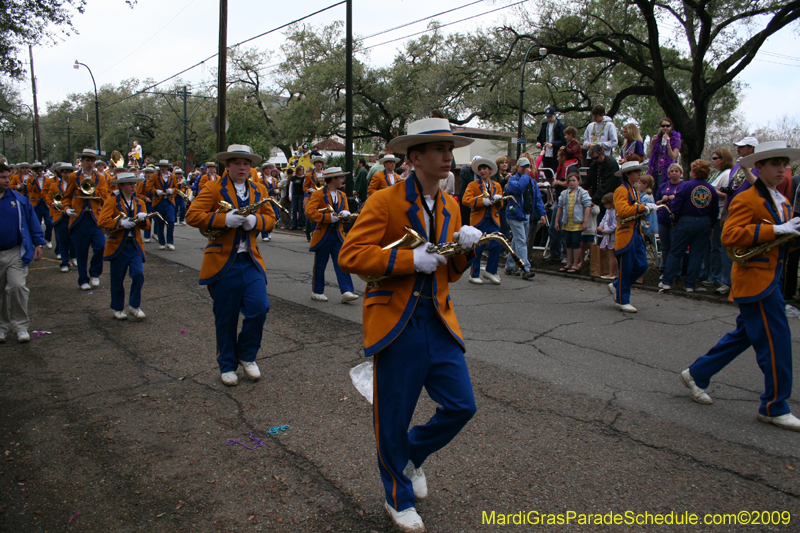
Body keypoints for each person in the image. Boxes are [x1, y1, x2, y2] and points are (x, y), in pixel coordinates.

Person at [338, 117, 481, 533]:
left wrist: (465, 252)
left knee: (462, 405)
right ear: (415, 157)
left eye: (449, 149)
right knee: (393, 416)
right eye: (439, 149)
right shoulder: (384, 200)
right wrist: (406, 261)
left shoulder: (453, 205)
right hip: (396, 321)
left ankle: (409, 455)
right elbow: (351, 255)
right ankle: (396, 497)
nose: (447, 157)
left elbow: (448, 273)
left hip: (437, 320)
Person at [679, 140, 800, 432]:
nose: (782, 169)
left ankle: (697, 373)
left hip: (771, 277)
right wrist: (775, 229)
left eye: (785, 164)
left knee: (744, 336)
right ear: (758, 167)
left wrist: (789, 233)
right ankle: (774, 406)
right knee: (776, 343)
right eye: (775, 164)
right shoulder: (748, 198)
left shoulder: (780, 201)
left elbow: (781, 244)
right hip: (755, 280)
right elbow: (730, 235)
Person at [185, 144, 276, 387]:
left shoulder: (258, 188)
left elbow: (271, 219)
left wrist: (256, 220)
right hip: (222, 262)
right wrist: (224, 218)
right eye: (237, 163)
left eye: (246, 164)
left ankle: (247, 355)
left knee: (260, 308)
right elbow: (192, 215)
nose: (242, 167)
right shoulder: (213, 187)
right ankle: (227, 364)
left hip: (251, 261)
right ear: (228, 166)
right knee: (226, 317)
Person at [0, 162, 45, 343]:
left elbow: (32, 221)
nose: (7, 180)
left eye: (7, 176)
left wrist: (38, 243)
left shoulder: (19, 199)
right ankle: (1, 327)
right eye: (2, 177)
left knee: (17, 286)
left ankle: (20, 326)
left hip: (14, 251)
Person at [658, 160, 719, 293]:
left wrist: (674, 218)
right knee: (696, 255)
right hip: (704, 222)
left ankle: (667, 281)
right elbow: (714, 210)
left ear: (694, 172)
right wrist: (711, 225)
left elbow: (676, 204)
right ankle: (690, 284)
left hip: (685, 221)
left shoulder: (685, 186)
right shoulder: (711, 189)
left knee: (675, 252)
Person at [97, 172, 150, 320]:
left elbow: (146, 227)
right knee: (117, 278)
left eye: (134, 183)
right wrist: (120, 223)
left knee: (138, 274)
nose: (133, 186)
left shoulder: (140, 202)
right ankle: (117, 307)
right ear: (120, 186)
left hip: (134, 245)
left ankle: (134, 306)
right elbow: (102, 221)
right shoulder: (111, 201)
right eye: (129, 183)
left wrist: (144, 219)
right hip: (118, 245)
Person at [305, 167, 359, 303]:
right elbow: (309, 212)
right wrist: (329, 217)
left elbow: (345, 210)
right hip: (323, 233)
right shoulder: (318, 194)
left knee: (341, 262)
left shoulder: (342, 195)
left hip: (338, 233)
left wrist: (346, 214)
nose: (343, 180)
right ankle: (317, 291)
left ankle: (346, 291)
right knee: (320, 264)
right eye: (341, 177)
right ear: (333, 179)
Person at [607, 161, 656, 312]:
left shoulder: (634, 190)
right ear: (628, 174)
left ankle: (616, 285)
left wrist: (646, 210)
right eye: (636, 172)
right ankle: (622, 300)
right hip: (626, 233)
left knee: (642, 265)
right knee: (627, 268)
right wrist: (644, 207)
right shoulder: (621, 190)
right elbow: (622, 211)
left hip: (636, 232)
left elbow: (635, 210)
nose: (639, 175)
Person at [63, 149, 110, 291]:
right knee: (81, 251)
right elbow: (67, 196)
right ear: (81, 162)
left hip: (95, 218)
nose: (90, 163)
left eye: (92, 161)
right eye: (87, 160)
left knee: (100, 246)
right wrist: (66, 208)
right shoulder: (73, 177)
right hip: (79, 219)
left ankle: (95, 273)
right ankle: (83, 279)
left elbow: (104, 197)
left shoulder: (100, 178)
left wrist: (91, 189)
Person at [462, 157, 504, 285]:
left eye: (484, 168)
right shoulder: (473, 185)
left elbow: (501, 204)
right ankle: (473, 274)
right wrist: (481, 201)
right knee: (478, 247)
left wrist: (499, 200)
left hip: (493, 220)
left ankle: (490, 272)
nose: (482, 171)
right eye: (480, 169)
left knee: (497, 244)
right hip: (479, 220)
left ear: (490, 170)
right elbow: (465, 200)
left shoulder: (497, 185)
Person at [503, 157, 543, 279]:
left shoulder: (533, 182)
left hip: (527, 215)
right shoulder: (513, 181)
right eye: (524, 167)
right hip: (515, 215)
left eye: (528, 167)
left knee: (517, 241)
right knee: (521, 241)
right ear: (518, 167)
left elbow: (537, 199)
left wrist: (542, 213)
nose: (526, 169)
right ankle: (525, 268)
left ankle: (509, 266)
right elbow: (519, 188)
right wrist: (526, 176)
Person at [703, 148, 734, 290]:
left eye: (715, 158)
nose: (712, 161)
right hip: (713, 215)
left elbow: (728, 195)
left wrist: (713, 191)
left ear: (723, 159)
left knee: (720, 248)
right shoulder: (717, 174)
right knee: (713, 247)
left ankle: (722, 278)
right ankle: (713, 276)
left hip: (720, 214)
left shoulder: (727, 174)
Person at [554, 172, 592, 273]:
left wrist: (585, 221)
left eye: (574, 180)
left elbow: (588, 206)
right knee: (568, 243)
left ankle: (576, 264)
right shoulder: (564, 193)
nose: (572, 183)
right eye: (570, 180)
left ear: (578, 182)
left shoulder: (582, 193)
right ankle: (569, 263)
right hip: (567, 223)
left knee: (576, 243)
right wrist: (557, 221)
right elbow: (560, 207)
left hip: (577, 223)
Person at [654, 163, 683, 270]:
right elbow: (656, 202)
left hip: (676, 220)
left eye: (676, 171)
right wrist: (663, 200)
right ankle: (665, 267)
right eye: (672, 171)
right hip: (663, 219)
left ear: (680, 173)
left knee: (675, 246)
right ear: (669, 173)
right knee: (665, 246)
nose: (674, 173)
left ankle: (676, 269)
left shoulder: (684, 186)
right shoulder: (663, 186)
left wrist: (675, 198)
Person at [47, 163, 75, 272]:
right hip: (60, 216)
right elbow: (48, 198)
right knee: (62, 240)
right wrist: (53, 204)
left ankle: (73, 256)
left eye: (69, 172)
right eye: (64, 172)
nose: (67, 174)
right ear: (61, 173)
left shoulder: (76, 184)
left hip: (73, 214)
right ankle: (64, 263)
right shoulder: (54, 185)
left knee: (74, 239)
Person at [147, 160, 178, 251]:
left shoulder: (172, 176)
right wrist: (156, 191)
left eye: (165, 166)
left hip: (169, 201)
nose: (163, 168)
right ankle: (161, 242)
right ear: (159, 167)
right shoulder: (154, 176)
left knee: (171, 221)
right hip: (158, 202)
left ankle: (170, 242)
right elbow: (148, 187)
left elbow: (176, 188)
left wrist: (172, 190)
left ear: (167, 167)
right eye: (161, 166)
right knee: (160, 222)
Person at [647, 117, 681, 192]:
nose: (665, 128)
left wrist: (668, 144)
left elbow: (673, 156)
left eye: (667, 126)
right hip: (655, 169)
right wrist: (652, 143)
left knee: (661, 191)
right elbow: (651, 154)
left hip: (665, 171)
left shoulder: (676, 139)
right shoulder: (657, 138)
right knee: (652, 191)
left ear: (671, 126)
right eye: (663, 126)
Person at [585, 144, 621, 214]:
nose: (594, 160)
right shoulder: (594, 165)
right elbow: (588, 180)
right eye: (592, 159)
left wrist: (594, 199)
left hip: (611, 200)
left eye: (596, 158)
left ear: (602, 154)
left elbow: (607, 185)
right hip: (600, 199)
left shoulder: (611, 164)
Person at [26, 162, 53, 250]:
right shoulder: (30, 179)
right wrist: (34, 179)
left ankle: (48, 239)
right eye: (37, 170)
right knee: (37, 223)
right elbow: (29, 189)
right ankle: (38, 241)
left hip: (45, 204)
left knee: (49, 222)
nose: (39, 171)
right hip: (36, 204)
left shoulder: (47, 179)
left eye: (41, 169)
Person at [535, 106, 566, 174]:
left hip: (555, 154)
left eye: (550, 116)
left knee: (555, 172)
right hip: (546, 154)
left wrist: (552, 144)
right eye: (547, 117)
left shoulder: (560, 126)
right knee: (547, 172)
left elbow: (563, 141)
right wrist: (538, 143)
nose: (548, 118)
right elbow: (539, 138)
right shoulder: (544, 125)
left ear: (554, 115)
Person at [597, 193, 618, 279]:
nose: (605, 206)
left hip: (612, 236)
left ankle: (612, 273)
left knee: (611, 256)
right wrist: (601, 226)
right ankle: (615, 272)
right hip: (608, 235)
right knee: (611, 255)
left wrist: (606, 230)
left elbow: (615, 225)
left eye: (606, 204)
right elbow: (604, 219)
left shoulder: (615, 211)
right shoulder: (608, 211)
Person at [137, 166, 156, 243]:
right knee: (148, 219)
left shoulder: (156, 183)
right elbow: (138, 194)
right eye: (147, 173)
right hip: (147, 203)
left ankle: (156, 233)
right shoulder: (142, 183)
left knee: (157, 219)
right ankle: (147, 236)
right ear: (145, 174)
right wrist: (145, 198)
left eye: (151, 173)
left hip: (155, 202)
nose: (149, 174)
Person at [289, 165, 306, 230]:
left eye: (302, 170)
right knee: (294, 210)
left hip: (301, 195)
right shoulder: (293, 178)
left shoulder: (304, 178)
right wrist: (290, 195)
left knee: (300, 210)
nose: (301, 171)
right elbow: (291, 187)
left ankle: (300, 224)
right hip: (294, 195)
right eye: (300, 170)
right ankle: (293, 224)